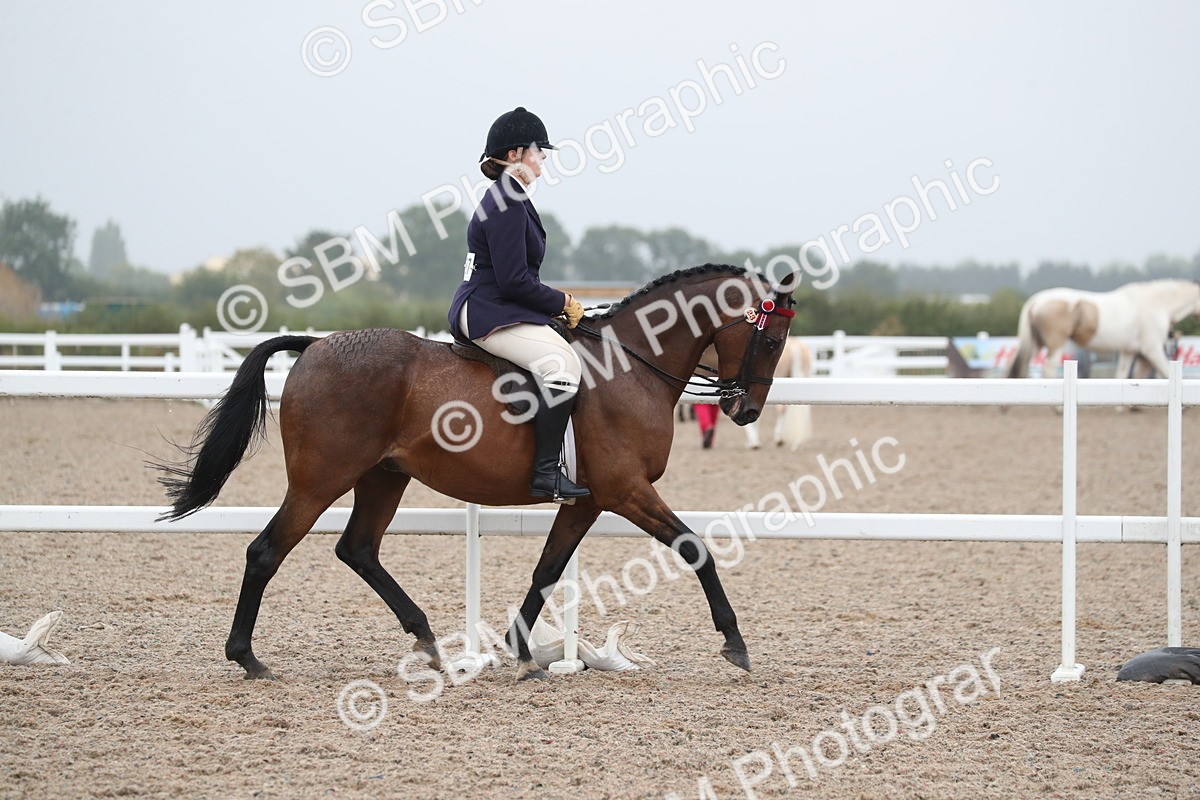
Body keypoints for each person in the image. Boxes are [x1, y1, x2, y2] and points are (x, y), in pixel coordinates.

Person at [447, 107, 589, 501]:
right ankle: (546, 474)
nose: (543, 157)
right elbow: (513, 281)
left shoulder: (511, 197)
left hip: (496, 305)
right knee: (562, 367)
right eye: (538, 150)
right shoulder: (508, 201)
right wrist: (562, 301)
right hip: (489, 309)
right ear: (514, 156)